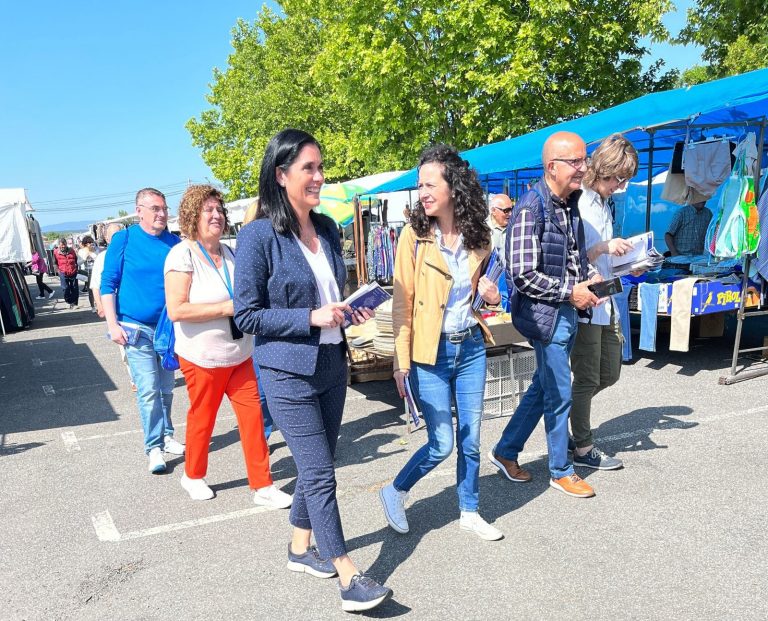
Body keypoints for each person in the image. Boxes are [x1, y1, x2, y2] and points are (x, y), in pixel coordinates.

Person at [234, 129, 392, 612]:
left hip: (331, 363)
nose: (319, 177)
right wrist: (309, 317)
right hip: (286, 370)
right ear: (281, 176)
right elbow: (246, 315)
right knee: (321, 473)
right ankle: (347, 573)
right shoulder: (258, 236)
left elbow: (329, 298)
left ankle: (300, 548)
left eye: (321, 168)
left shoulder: (325, 228)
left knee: (315, 464)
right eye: (309, 169)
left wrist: (347, 309)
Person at [380, 144, 504, 542]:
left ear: (454, 186)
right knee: (442, 443)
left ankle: (469, 509)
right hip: (428, 353)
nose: (423, 193)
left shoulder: (479, 236)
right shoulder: (413, 238)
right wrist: (401, 362)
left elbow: (490, 296)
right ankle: (395, 490)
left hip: (470, 346)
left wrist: (492, 296)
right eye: (420, 186)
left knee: (471, 438)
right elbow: (402, 305)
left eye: (430, 184)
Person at [488, 131, 602, 499]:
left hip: (565, 312)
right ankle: (560, 470)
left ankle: (506, 451)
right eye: (575, 162)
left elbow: (569, 258)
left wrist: (588, 279)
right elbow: (522, 275)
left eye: (583, 160)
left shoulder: (569, 204)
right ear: (552, 167)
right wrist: (571, 291)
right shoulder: (529, 209)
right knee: (558, 390)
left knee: (543, 386)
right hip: (546, 315)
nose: (583, 168)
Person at [164, 185, 292, 506]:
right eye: (208, 210)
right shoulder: (182, 254)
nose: (216, 215)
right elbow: (177, 309)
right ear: (193, 215)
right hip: (202, 357)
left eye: (219, 210)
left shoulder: (232, 252)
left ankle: (262, 486)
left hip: (240, 353)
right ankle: (192, 476)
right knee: (202, 420)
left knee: (252, 420)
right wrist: (228, 308)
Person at [100, 188, 185, 474]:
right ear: (140, 211)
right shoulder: (124, 240)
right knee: (148, 390)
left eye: (164, 208)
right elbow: (107, 284)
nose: (162, 214)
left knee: (166, 388)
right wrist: (112, 325)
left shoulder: (174, 242)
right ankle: (154, 447)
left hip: (168, 329)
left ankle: (167, 434)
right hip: (134, 328)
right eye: (155, 209)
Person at [571, 134, 638, 471]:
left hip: (607, 298)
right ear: (603, 169)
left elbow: (602, 255)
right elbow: (572, 255)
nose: (620, 185)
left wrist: (630, 261)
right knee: (586, 377)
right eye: (617, 178)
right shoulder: (580, 202)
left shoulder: (600, 202)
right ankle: (582, 447)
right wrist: (604, 248)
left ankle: (571, 416)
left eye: (624, 179)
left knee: (609, 372)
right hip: (586, 301)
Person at [240, 198, 274, 442]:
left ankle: (263, 434)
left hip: (271, 328)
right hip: (253, 330)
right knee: (260, 390)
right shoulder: (249, 246)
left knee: (264, 389)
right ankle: (260, 436)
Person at [91, 223, 136, 391]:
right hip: (114, 310)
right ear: (108, 239)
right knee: (125, 345)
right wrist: (100, 305)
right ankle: (135, 378)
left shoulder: (132, 252)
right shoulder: (102, 258)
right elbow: (96, 285)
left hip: (131, 307)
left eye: (120, 234)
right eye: (113, 235)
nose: (118, 237)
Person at [53, 237, 79, 308]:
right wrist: (58, 271)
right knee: (65, 288)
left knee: (74, 288)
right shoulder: (56, 252)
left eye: (64, 245)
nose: (63, 246)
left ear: (66, 244)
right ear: (59, 245)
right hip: (63, 272)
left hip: (73, 271)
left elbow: (76, 260)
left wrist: (76, 268)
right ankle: (69, 301)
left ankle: (74, 303)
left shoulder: (71, 250)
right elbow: (54, 263)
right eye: (61, 245)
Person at [487, 193, 514, 261]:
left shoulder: (515, 227)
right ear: (493, 211)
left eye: (512, 209)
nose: (510, 214)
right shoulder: (482, 229)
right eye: (506, 210)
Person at [77, 235, 98, 311]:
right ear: (85, 244)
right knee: (91, 290)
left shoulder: (95, 250)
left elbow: (98, 259)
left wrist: (92, 254)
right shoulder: (81, 251)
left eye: (91, 243)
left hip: (96, 271)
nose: (90, 244)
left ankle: (98, 303)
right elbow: (78, 263)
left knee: (98, 289)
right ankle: (93, 306)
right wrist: (85, 258)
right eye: (88, 243)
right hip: (87, 272)